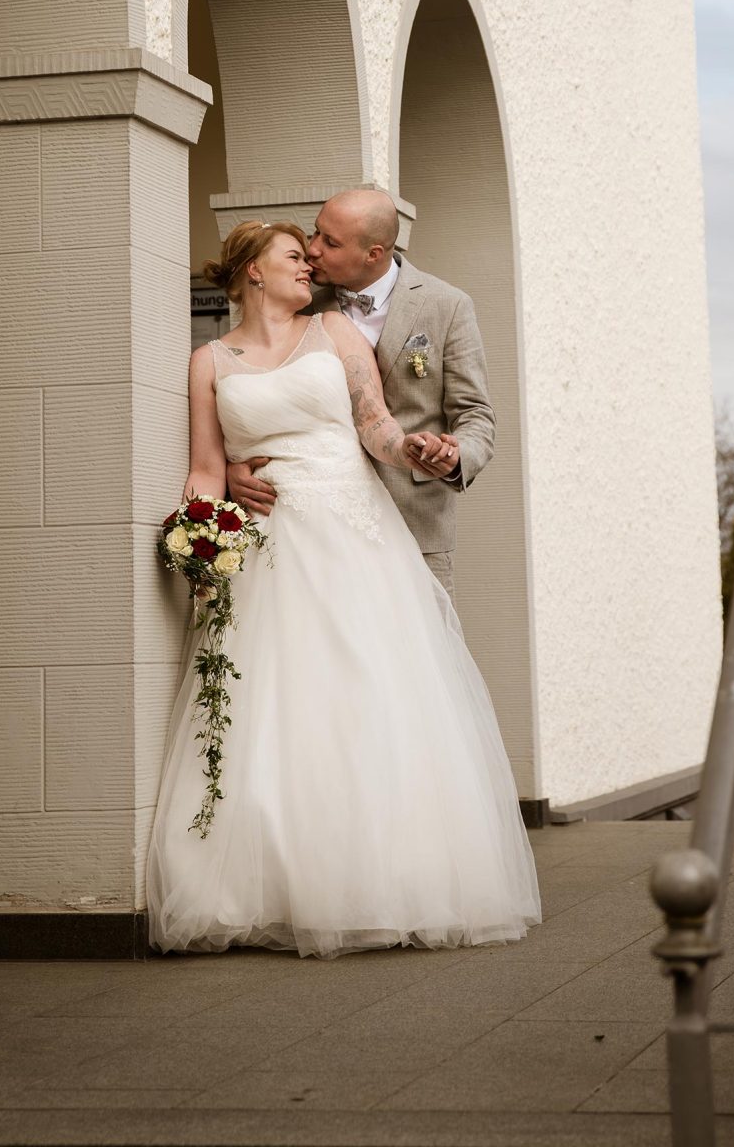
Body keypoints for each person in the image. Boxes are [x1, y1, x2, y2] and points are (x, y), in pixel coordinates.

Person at [146, 219, 539, 957]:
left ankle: (390, 879)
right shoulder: (209, 360)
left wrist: (419, 451)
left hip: (356, 533)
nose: (310, 267)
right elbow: (205, 463)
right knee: (278, 707)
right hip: (268, 542)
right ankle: (275, 887)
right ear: (251, 271)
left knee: (371, 694)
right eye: (295, 257)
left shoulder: (333, 332)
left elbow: (375, 426)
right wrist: (200, 538)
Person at [227, 188, 494, 602]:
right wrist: (237, 468)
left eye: (330, 243)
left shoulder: (447, 305)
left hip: (415, 521)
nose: (312, 249)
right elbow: (257, 398)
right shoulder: (295, 305)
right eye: (316, 233)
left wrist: (456, 455)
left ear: (373, 253)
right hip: (317, 526)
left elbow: (475, 414)